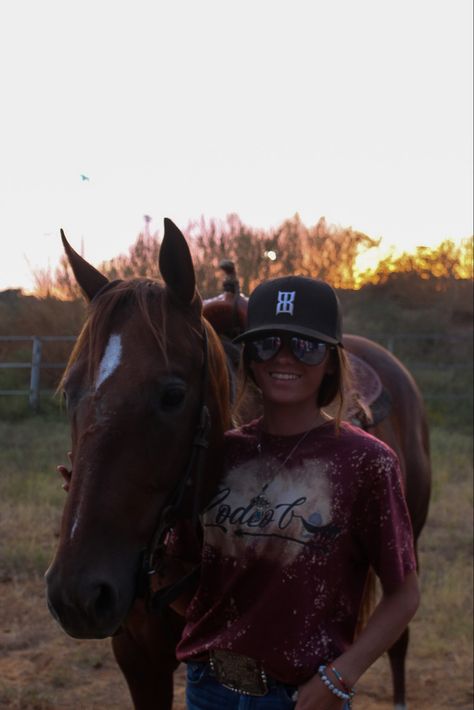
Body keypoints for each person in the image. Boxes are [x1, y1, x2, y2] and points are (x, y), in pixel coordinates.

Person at [58, 275, 420, 710]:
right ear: (247, 357)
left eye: (305, 346)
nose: (283, 358)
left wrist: (339, 677)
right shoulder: (220, 457)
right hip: (211, 690)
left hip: (301, 695)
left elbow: (404, 592)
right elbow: (204, 600)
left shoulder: (366, 461)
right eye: (267, 344)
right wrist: (103, 502)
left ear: (330, 360)